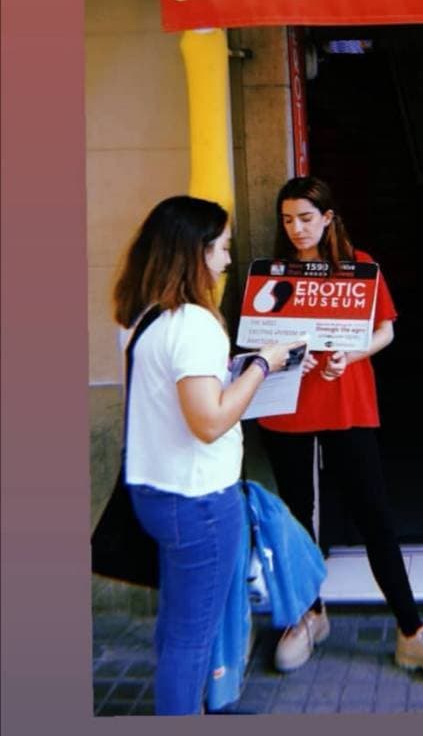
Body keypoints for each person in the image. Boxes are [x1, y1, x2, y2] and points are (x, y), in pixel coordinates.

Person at [258, 176, 423, 684]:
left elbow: (387, 330)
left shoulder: (360, 264)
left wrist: (349, 356)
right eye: (287, 219)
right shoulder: (274, 272)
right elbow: (260, 334)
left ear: (328, 217)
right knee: (297, 517)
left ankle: (412, 630)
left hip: (347, 400)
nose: (296, 228)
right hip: (285, 405)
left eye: (306, 218)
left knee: (373, 513)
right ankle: (309, 615)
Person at [115, 195, 294, 715]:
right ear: (194, 254)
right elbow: (210, 421)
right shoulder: (193, 324)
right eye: (221, 248)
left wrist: (231, 370)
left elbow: (183, 398)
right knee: (193, 637)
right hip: (199, 501)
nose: (227, 260)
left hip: (156, 491)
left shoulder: (143, 316)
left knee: (176, 625)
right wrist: (263, 364)